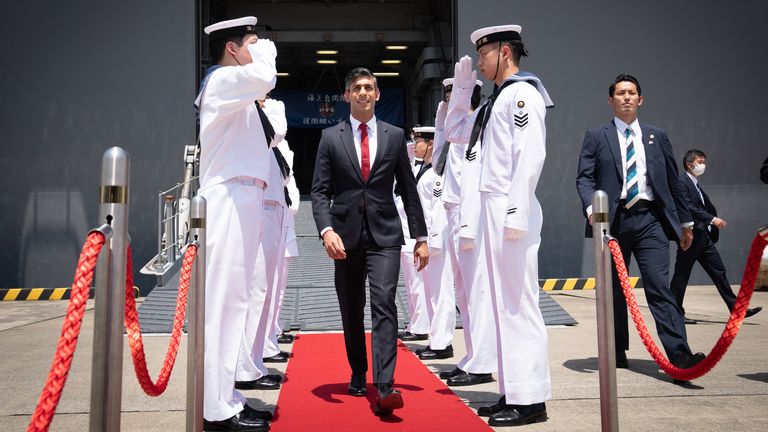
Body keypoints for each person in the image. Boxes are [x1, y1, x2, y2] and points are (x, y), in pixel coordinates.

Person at [444, 24, 552, 426]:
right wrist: (459, 91)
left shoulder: (522, 94)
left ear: (504, 51)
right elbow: (455, 133)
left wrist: (516, 211)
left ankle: (530, 399)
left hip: (509, 207)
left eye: (484, 54)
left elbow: (530, 156)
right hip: (493, 207)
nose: (481, 62)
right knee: (501, 303)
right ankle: (513, 391)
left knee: (517, 302)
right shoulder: (496, 100)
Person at [311, 67, 429, 416]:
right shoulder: (331, 137)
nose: (363, 92)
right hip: (344, 237)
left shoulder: (394, 137)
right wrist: (325, 230)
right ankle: (359, 371)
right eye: (356, 88)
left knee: (384, 303)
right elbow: (318, 192)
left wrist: (420, 237)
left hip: (385, 235)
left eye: (369, 87)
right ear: (346, 96)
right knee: (351, 308)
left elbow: (408, 190)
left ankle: (386, 384)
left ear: (377, 95)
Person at [576, 73, 706, 379]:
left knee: (659, 287)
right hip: (612, 222)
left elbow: (673, 181)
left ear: (640, 99)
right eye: (620, 93)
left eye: (631, 92)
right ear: (611, 100)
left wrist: (686, 222)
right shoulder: (596, 136)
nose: (626, 97)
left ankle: (680, 356)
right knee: (613, 291)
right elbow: (584, 177)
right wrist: (591, 207)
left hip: (651, 221)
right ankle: (617, 349)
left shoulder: (656, 136)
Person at [195, 16, 276, 432]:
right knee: (223, 305)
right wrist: (266, 52)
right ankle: (215, 409)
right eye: (251, 42)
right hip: (227, 196)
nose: (259, 47)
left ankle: (228, 396)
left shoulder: (237, 92)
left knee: (237, 303)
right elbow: (265, 76)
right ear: (233, 49)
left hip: (244, 195)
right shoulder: (223, 81)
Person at [433, 78, 498, 387]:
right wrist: (442, 119)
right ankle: (472, 357)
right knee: (463, 293)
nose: (448, 102)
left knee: (476, 292)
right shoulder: (454, 129)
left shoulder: (478, 124)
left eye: (454, 95)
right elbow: (438, 165)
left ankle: (482, 361)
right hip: (452, 211)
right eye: (447, 97)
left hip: (469, 213)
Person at [670, 149, 762, 323]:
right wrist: (712, 219)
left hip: (703, 237)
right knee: (681, 276)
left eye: (704, 161)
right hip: (690, 236)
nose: (703, 165)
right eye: (700, 161)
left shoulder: (695, 183)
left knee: (719, 272)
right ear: (689, 164)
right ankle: (676, 314)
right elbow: (688, 206)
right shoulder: (682, 182)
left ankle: (737, 310)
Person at [410, 126, 456, 361]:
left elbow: (438, 210)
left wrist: (431, 242)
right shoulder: (426, 170)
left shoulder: (437, 173)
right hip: (426, 239)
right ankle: (435, 340)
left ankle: (442, 343)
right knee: (431, 293)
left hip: (435, 240)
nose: (414, 144)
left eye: (417, 140)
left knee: (441, 293)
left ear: (430, 143)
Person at [396, 134, 431, 342]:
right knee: (411, 286)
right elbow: (407, 156)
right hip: (405, 236)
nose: (414, 145)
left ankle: (421, 326)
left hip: (415, 237)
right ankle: (415, 323)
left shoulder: (430, 171)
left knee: (418, 286)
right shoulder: (416, 167)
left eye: (419, 141)